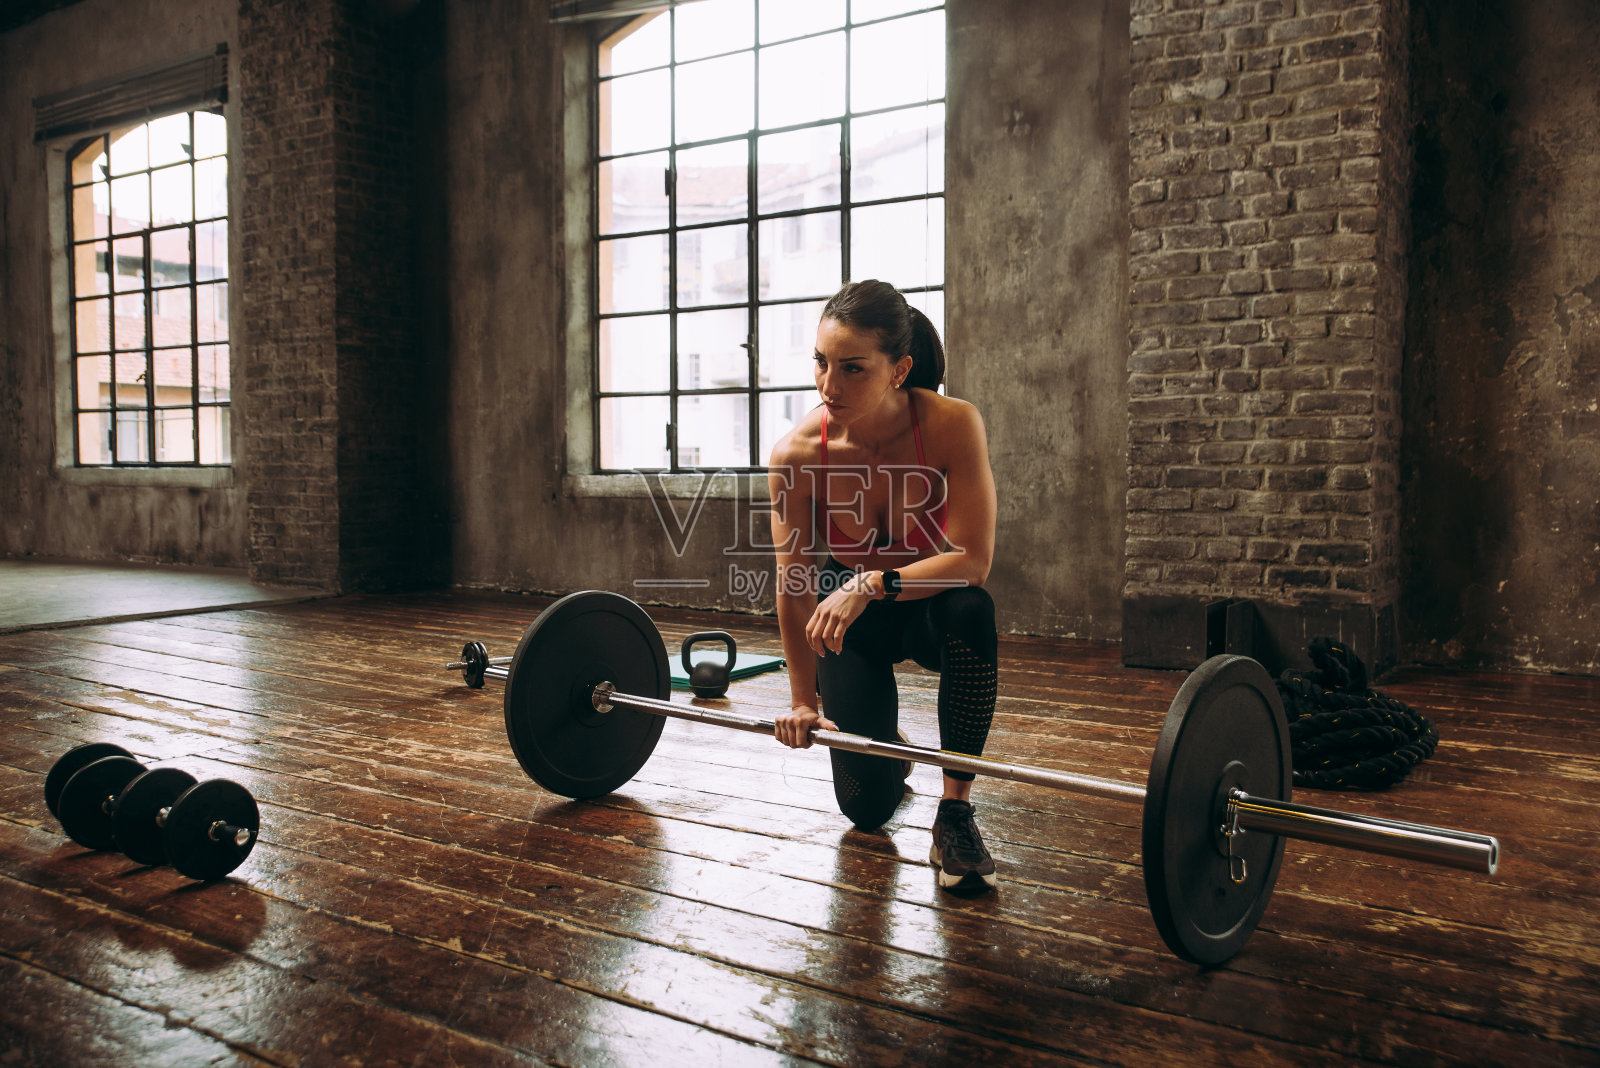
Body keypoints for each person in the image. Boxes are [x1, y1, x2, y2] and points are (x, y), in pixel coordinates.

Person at [767, 279, 1000, 893]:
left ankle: (955, 811)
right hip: (851, 619)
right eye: (820, 363)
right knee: (866, 812)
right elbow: (794, 584)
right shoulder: (796, 454)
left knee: (973, 611)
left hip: (929, 600)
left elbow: (972, 561)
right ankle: (884, 748)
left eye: (852, 369)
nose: (828, 386)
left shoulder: (952, 424)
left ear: (898, 370)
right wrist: (802, 701)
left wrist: (871, 583)